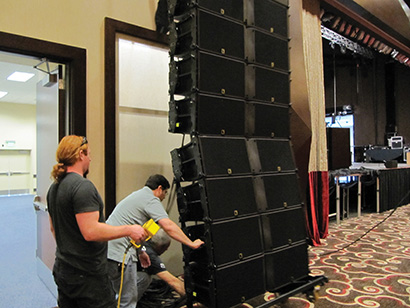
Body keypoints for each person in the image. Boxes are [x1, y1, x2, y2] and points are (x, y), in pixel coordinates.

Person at [47, 135, 148, 308]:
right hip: (87, 276)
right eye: (89, 154)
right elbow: (91, 231)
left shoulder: (54, 188)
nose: (90, 159)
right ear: (80, 154)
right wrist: (129, 230)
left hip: (63, 269)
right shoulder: (83, 187)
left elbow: (53, 229)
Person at [106, 174, 204, 308]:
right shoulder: (150, 199)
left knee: (120, 295)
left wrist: (140, 251)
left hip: (108, 251)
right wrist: (191, 243)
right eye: (165, 192)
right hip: (120, 254)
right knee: (127, 300)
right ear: (159, 188)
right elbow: (168, 226)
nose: (164, 197)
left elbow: (137, 233)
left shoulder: (137, 196)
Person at [136, 229, 185, 301]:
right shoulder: (150, 255)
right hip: (121, 280)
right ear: (161, 247)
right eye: (166, 248)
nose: (167, 250)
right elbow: (172, 281)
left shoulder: (144, 242)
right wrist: (192, 297)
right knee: (145, 278)